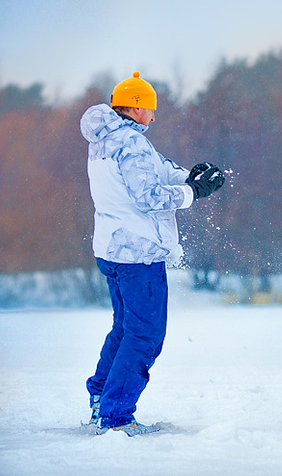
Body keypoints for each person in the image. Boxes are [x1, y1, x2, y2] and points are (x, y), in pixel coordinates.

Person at [80, 71, 225, 436]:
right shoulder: (130, 143)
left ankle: (102, 398)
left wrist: (190, 176)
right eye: (150, 109)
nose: (155, 117)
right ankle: (116, 417)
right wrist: (193, 193)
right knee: (144, 336)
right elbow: (150, 197)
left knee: (125, 328)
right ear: (135, 108)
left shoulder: (106, 141)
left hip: (114, 250)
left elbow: (159, 171)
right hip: (137, 254)